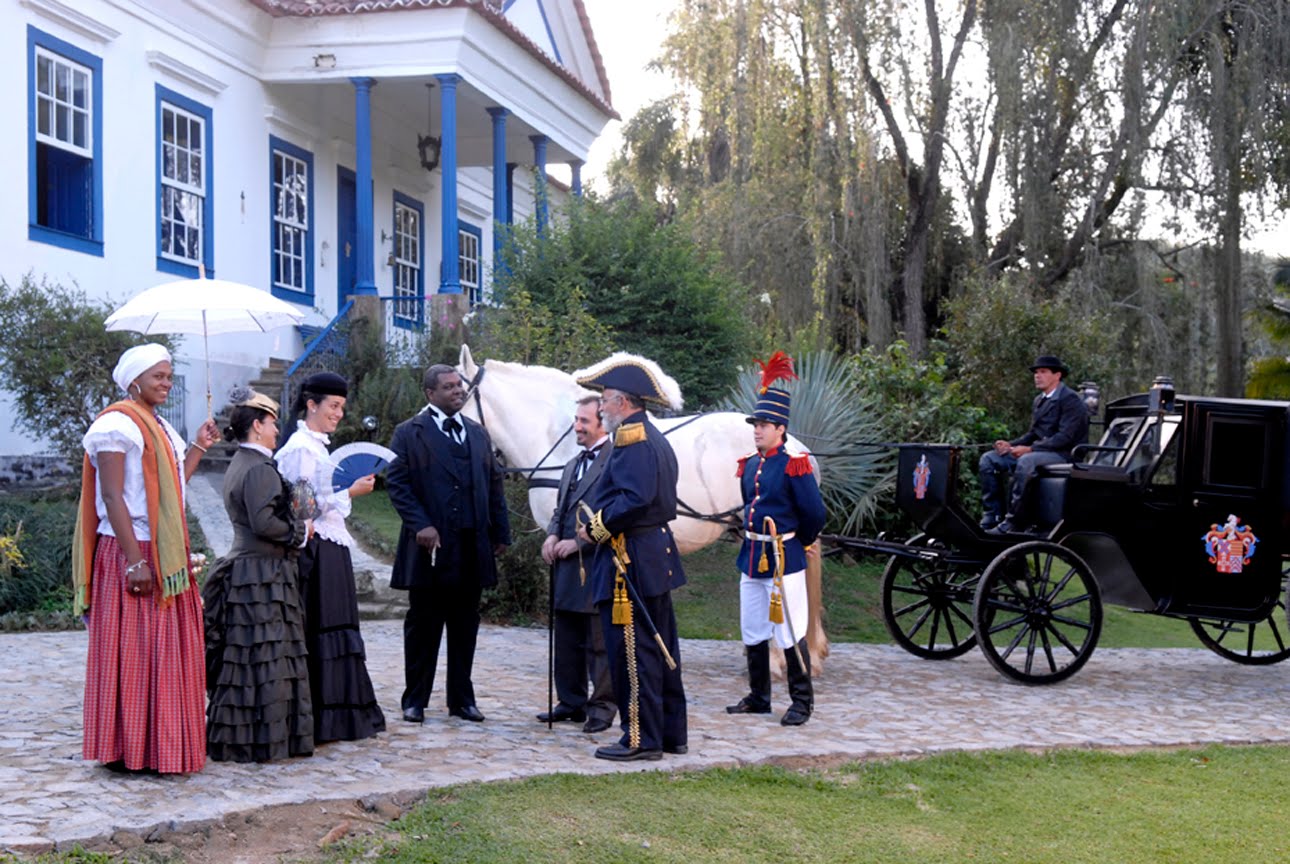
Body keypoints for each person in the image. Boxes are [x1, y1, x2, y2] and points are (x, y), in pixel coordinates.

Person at [74, 343, 219, 774]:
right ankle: (130, 748)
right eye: (159, 375)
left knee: (166, 652)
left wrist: (197, 446)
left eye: (170, 375)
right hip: (129, 548)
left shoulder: (157, 426)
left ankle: (162, 746)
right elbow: (112, 495)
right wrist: (135, 561)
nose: (167, 383)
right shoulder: (117, 423)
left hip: (162, 547)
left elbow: (172, 487)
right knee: (136, 651)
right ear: (134, 379)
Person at [574, 353, 687, 762]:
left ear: (623, 402)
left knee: (634, 653)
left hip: (630, 560)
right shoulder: (653, 437)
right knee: (660, 647)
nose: (600, 407)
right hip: (654, 555)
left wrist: (595, 529)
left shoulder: (633, 440)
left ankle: (641, 738)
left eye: (604, 399)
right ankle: (671, 733)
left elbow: (634, 499)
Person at [386, 364, 511, 724]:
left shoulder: (477, 433)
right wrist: (420, 525)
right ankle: (415, 700)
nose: (458, 391)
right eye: (449, 387)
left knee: (465, 625)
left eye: (460, 385)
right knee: (423, 625)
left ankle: (461, 699)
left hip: (472, 545)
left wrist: (500, 533)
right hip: (431, 548)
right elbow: (397, 485)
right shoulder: (409, 434)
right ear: (430, 393)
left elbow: (494, 484)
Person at [202, 387, 314, 762]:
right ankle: (263, 741)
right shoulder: (259, 468)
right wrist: (301, 532)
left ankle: (245, 739)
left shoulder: (242, 464)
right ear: (256, 426)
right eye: (272, 422)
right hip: (261, 575)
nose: (277, 430)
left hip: (250, 570)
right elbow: (265, 522)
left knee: (250, 658)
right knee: (266, 657)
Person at [275, 371, 386, 743]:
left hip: (332, 546)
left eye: (341, 407)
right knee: (322, 628)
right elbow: (302, 507)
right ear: (311, 404)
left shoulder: (318, 447)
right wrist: (350, 492)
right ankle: (323, 718)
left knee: (339, 627)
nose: (339, 414)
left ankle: (342, 717)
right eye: (333, 406)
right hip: (316, 550)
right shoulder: (300, 449)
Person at [727, 352, 827, 726]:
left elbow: (815, 514)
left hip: (784, 555)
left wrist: (798, 542)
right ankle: (758, 697)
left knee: (789, 629)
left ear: (780, 428)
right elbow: (747, 503)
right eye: (755, 424)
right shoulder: (750, 465)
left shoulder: (794, 464)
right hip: (752, 554)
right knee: (752, 627)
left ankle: (802, 702)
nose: (757, 430)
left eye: (765, 424)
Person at [539, 395, 616, 734]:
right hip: (567, 566)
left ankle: (601, 708)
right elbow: (561, 509)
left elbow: (613, 513)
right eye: (576, 420)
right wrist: (552, 536)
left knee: (599, 641)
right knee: (567, 637)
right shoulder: (572, 463)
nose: (577, 427)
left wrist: (580, 541)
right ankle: (571, 701)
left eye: (584, 421)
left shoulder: (615, 461)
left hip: (597, 563)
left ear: (602, 423)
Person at [980, 355, 1090, 534]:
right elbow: (1033, 433)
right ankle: (992, 515)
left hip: (1064, 454)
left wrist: (1030, 449)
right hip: (1040, 452)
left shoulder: (1071, 400)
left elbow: (1065, 437)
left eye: (1043, 372)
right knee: (989, 459)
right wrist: (1010, 445)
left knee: (1026, 461)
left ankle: (1014, 521)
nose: (1037, 376)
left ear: (1057, 375)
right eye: (1036, 372)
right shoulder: (1039, 400)